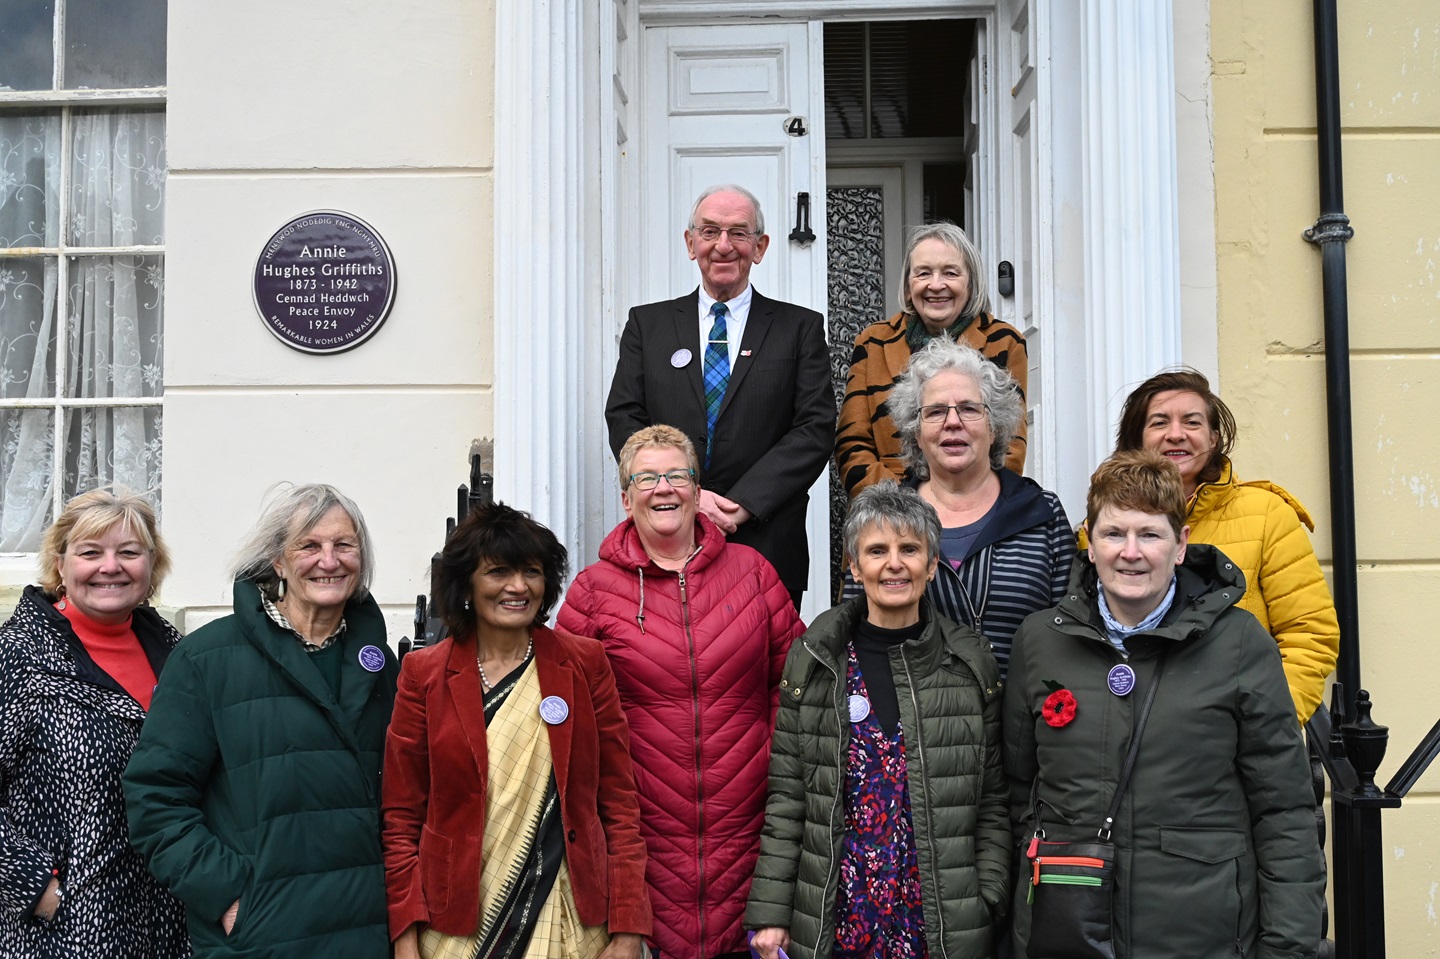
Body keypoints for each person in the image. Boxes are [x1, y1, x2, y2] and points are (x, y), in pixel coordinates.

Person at [1004, 450, 1325, 958]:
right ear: (1089, 542)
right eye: (1113, 534)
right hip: (1068, 929)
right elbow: (1019, 796)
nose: (1130, 552)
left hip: (1202, 933)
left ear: (1180, 545)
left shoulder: (1240, 644)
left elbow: (1283, 812)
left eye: (1149, 534)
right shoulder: (1039, 641)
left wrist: (1288, 948)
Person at [557, 425, 804, 959]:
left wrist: (771, 763)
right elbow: (568, 721)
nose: (663, 488)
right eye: (646, 478)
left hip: (751, 837)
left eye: (676, 475)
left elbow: (797, 689)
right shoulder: (592, 593)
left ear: (698, 489)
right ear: (625, 498)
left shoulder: (754, 575)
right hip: (643, 845)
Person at [124, 484, 398, 959]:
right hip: (262, 937)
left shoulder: (379, 664)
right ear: (278, 561)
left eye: (344, 545)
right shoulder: (206, 658)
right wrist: (230, 897)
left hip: (365, 931)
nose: (328, 561)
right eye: (309, 546)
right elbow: (155, 797)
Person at [747, 481, 1009, 959]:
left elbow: (991, 801)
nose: (894, 563)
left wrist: (985, 896)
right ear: (853, 564)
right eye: (876, 550)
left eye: (910, 548)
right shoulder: (815, 661)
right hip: (839, 916)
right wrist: (770, 913)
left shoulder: (968, 665)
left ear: (931, 565)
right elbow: (788, 799)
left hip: (939, 922)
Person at [383, 502, 651, 959]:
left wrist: (628, 931)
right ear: (467, 583)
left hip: (568, 917)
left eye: (531, 571)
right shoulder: (424, 674)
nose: (518, 586)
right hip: (455, 924)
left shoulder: (584, 664)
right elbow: (401, 818)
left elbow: (619, 804)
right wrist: (405, 935)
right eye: (498, 572)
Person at [605, 184, 834, 609]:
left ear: (761, 247)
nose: (723, 245)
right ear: (691, 244)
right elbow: (624, 416)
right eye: (709, 232)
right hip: (666, 537)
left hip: (765, 544)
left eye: (739, 233)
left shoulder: (799, 329)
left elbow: (815, 429)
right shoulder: (647, 325)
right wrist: (683, 491)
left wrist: (742, 503)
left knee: (765, 673)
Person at [0, 489, 188, 958]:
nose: (111, 567)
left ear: (152, 565)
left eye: (129, 552)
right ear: (60, 565)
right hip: (67, 934)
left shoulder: (180, 656)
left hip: (172, 927)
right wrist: (37, 889)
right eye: (90, 552)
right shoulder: (17, 657)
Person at [1112, 367, 1339, 721]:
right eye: (1159, 423)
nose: (1176, 435)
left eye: (1192, 422)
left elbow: (1309, 635)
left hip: (1236, 739)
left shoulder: (1265, 514)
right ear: (1137, 439)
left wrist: (1264, 726)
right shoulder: (1105, 526)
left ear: (1214, 438)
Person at [841, 337, 1071, 677]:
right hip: (918, 722)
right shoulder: (881, 519)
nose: (952, 422)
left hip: (1025, 720)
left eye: (968, 408)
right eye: (935, 412)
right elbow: (853, 634)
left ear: (994, 428)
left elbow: (1071, 631)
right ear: (916, 433)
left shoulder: (1042, 513)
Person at [835, 221, 1028, 498]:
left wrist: (959, 505)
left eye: (950, 273)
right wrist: (907, 504)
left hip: (977, 511)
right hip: (888, 513)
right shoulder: (873, 342)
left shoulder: (1005, 341)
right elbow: (852, 445)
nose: (936, 285)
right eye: (923, 273)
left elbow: (1011, 446)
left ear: (971, 284)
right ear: (907, 286)